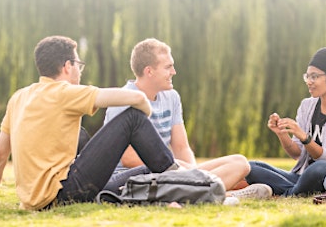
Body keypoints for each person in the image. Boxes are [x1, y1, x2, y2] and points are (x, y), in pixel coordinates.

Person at [0, 35, 181, 211]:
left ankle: (175, 176)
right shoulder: (65, 92)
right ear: (68, 66)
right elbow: (136, 99)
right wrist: (144, 113)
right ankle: (183, 181)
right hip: (64, 193)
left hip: (37, 201)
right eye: (78, 64)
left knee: (142, 169)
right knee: (133, 119)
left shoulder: (18, 98)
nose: (80, 70)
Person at [102, 38, 272, 199]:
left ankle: (205, 189)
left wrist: (192, 173)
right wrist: (178, 170)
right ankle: (224, 193)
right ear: (149, 71)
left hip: (171, 168)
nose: (173, 72)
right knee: (208, 173)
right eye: (168, 67)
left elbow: (182, 147)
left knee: (240, 162)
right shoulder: (124, 99)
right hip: (137, 176)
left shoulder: (172, 97)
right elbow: (129, 159)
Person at [243, 47, 326, 196]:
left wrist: (304, 136)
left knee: (320, 168)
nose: (309, 82)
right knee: (251, 167)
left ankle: (286, 193)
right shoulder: (307, 105)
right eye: (307, 76)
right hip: (303, 177)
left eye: (314, 76)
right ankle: (292, 190)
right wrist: (282, 134)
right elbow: (297, 154)